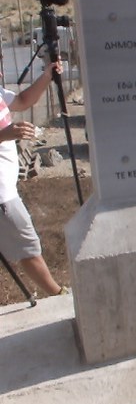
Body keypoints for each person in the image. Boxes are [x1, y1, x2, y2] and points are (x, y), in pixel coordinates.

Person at [0, 61, 68, 297]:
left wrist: (47, 76)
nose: (1, 72)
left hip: (7, 189)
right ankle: (58, 294)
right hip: (3, 196)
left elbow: (22, 100)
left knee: (26, 245)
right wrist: (4, 134)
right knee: (28, 246)